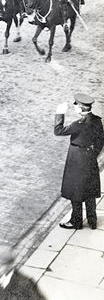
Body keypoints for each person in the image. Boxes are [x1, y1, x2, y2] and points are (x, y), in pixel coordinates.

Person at [55, 94, 104, 230]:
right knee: (90, 190)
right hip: (90, 158)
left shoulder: (79, 124)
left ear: (81, 108)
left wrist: (60, 113)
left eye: (75, 105)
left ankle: (76, 221)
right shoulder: (97, 120)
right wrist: (93, 153)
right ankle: (92, 220)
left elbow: (58, 131)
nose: (74, 107)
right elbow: (101, 141)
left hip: (77, 159)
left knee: (75, 191)